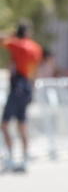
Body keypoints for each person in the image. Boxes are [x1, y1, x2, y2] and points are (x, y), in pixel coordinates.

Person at [2, 21, 43, 173]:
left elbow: (2, 39)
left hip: (17, 86)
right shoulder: (36, 47)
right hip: (28, 86)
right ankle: (25, 158)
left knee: (5, 124)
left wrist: (11, 35)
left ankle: (10, 158)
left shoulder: (17, 44)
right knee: (22, 124)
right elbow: (35, 70)